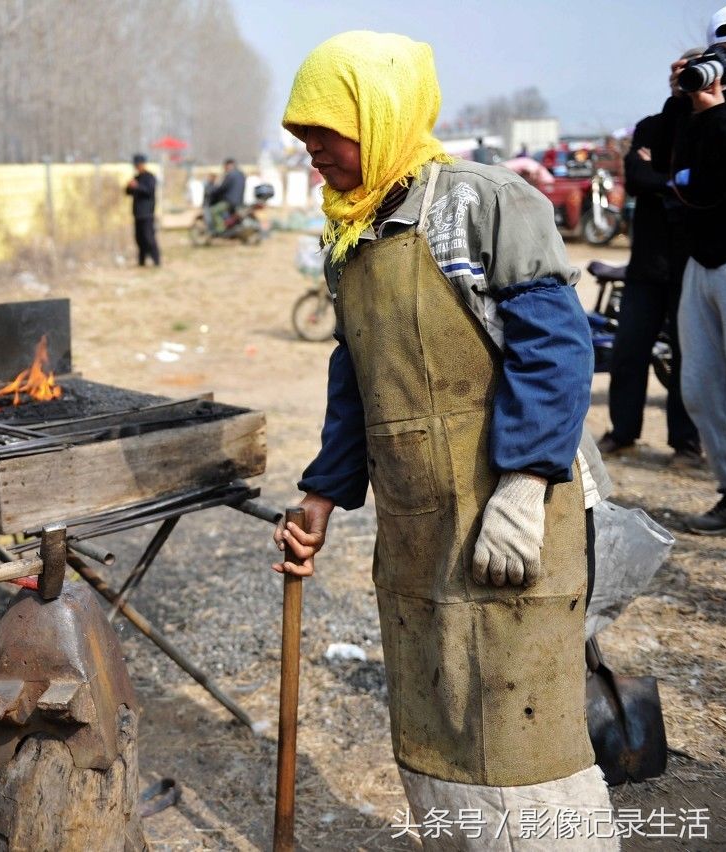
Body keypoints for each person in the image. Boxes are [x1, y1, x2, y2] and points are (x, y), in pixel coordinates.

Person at [273, 32, 614, 848]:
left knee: (523, 736)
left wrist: (526, 483)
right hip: (423, 527)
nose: (311, 148)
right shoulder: (349, 236)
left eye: (326, 127)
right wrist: (322, 494)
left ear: (380, 111)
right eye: (301, 133)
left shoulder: (483, 203)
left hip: (516, 515)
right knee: (438, 723)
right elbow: (356, 378)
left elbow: (557, 349)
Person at [598, 51, 706, 465]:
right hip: (646, 265)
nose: (682, 78)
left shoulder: (711, 126)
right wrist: (680, 181)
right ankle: (623, 432)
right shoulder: (652, 126)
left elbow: (710, 181)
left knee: (686, 354)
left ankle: (685, 442)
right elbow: (638, 180)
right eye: (677, 72)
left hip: (693, 263)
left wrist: (665, 178)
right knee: (629, 350)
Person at [659, 7, 726, 534]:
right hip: (700, 260)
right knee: (700, 386)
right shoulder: (696, 106)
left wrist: (718, 113)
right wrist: (685, 100)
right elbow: (676, 172)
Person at [125, 153, 160, 266]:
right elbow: (127, 192)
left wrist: (137, 186)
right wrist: (130, 186)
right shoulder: (137, 178)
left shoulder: (150, 177)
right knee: (139, 238)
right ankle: (142, 261)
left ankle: (156, 260)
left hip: (147, 213)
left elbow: (148, 191)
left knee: (149, 237)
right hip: (137, 213)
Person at [204, 157, 246, 233]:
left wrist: (213, 190)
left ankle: (220, 230)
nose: (224, 169)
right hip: (240, 201)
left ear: (228, 165)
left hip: (229, 201)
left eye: (225, 166)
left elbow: (222, 188)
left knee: (213, 211)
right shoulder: (241, 175)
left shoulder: (230, 175)